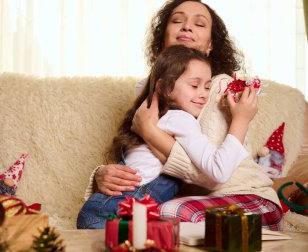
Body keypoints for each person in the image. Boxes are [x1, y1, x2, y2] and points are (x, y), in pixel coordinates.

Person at [83, 0, 283, 231]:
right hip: (187, 203)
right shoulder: (148, 90)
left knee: (163, 216)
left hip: (243, 197)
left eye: (199, 24)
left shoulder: (218, 87)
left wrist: (149, 131)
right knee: (140, 220)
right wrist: (103, 175)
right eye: (177, 20)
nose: (187, 27)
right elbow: (142, 159)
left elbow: (211, 175)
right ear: (162, 39)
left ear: (211, 45)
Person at [77, 44, 258, 229]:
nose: (204, 95)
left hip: (102, 207)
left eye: (207, 87)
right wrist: (241, 120)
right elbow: (218, 171)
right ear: (164, 87)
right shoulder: (180, 119)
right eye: (195, 85)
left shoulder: (156, 117)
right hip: (114, 210)